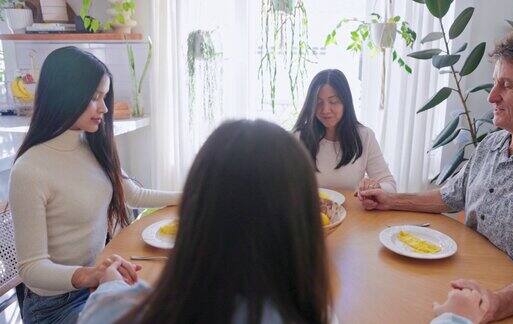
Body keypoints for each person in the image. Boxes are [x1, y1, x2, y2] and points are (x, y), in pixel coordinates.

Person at [357, 31, 513, 323]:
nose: (491, 96)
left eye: (506, 85)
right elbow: (450, 196)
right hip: (473, 288)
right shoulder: (492, 144)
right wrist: (390, 200)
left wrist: (494, 303)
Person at [79, 119, 333, 323]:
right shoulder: (316, 315)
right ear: (303, 226)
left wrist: (109, 286)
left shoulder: (111, 311)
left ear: (195, 214)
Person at [9, 46, 180, 324]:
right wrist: (91, 274)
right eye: (94, 97)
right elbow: (32, 268)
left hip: (97, 284)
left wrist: (193, 196)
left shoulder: (92, 144)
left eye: (104, 97)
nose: (104, 107)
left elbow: (133, 194)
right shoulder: (29, 170)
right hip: (53, 307)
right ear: (65, 96)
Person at [293, 69, 396, 194]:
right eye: (318, 102)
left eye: (333, 101)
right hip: (311, 212)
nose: (325, 110)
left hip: (352, 212)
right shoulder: (297, 138)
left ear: (345, 102)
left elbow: (389, 184)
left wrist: (376, 187)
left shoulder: (364, 137)